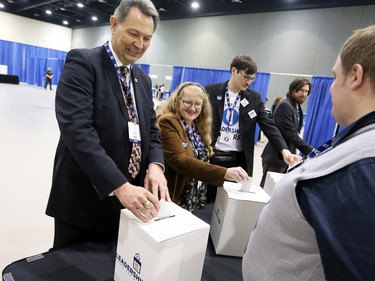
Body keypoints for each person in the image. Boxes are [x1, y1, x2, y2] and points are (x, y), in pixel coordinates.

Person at [242, 25, 375, 281]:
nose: (332, 88)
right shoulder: (359, 144)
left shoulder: (363, 166)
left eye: (335, 78)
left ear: (355, 76)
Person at [46, 0, 170, 250]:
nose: (139, 44)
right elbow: (78, 131)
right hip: (85, 201)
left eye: (147, 38)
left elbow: (152, 131)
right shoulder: (83, 63)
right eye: (133, 33)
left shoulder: (142, 79)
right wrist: (119, 185)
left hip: (130, 202)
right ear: (114, 25)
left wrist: (156, 166)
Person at [205, 54, 301, 202]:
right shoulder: (211, 91)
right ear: (234, 71)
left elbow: (269, 126)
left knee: (230, 204)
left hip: (239, 160)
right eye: (246, 77)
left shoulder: (254, 98)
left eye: (252, 78)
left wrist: (284, 150)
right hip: (212, 157)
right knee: (207, 200)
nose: (249, 82)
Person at [156, 82, 249, 212]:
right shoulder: (168, 123)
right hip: (175, 196)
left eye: (197, 104)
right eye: (187, 102)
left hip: (193, 196)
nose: (192, 108)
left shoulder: (197, 125)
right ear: (177, 101)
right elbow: (180, 161)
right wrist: (225, 173)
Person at [260, 78, 314, 187]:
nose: (304, 94)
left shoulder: (295, 106)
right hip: (276, 156)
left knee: (275, 190)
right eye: (301, 90)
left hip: (286, 157)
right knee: (266, 190)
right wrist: (312, 151)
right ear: (293, 90)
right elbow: (291, 134)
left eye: (306, 91)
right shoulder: (285, 105)